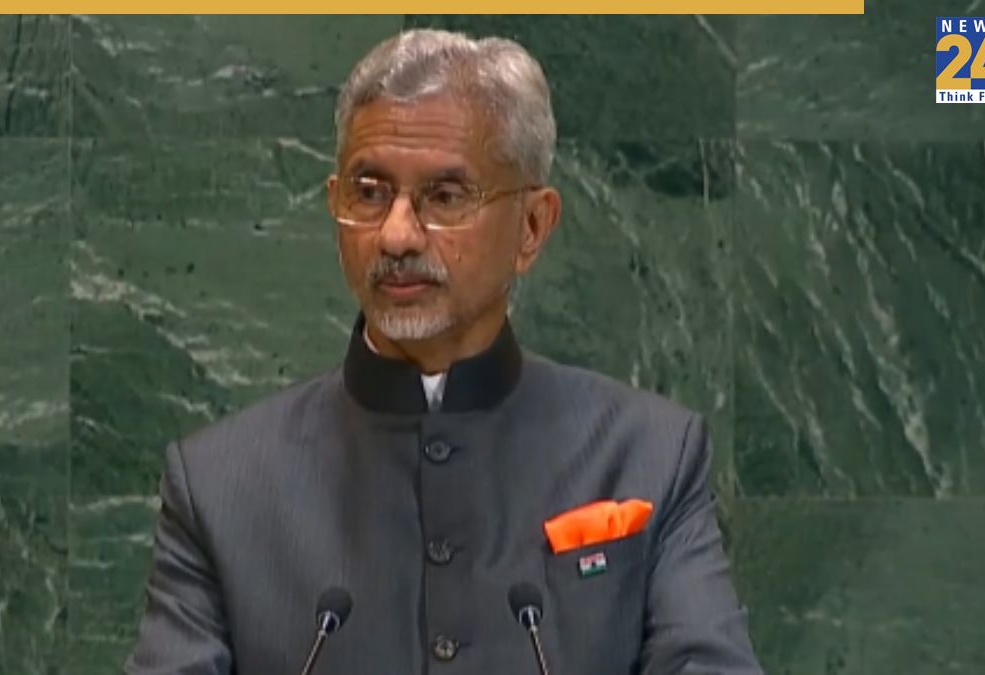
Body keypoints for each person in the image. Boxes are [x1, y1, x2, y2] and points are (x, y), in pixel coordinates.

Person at [126, 28, 762, 674]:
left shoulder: (649, 456)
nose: (397, 234)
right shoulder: (220, 488)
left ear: (533, 226)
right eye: (369, 192)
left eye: (445, 196)